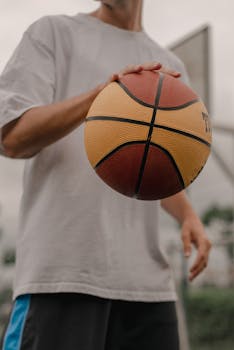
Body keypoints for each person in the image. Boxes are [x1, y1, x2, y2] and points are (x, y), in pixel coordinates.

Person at [0, 0, 211, 349]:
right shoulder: (53, 33)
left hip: (148, 286)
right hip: (62, 276)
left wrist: (189, 215)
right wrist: (101, 97)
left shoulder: (169, 67)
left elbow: (156, 166)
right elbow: (12, 138)